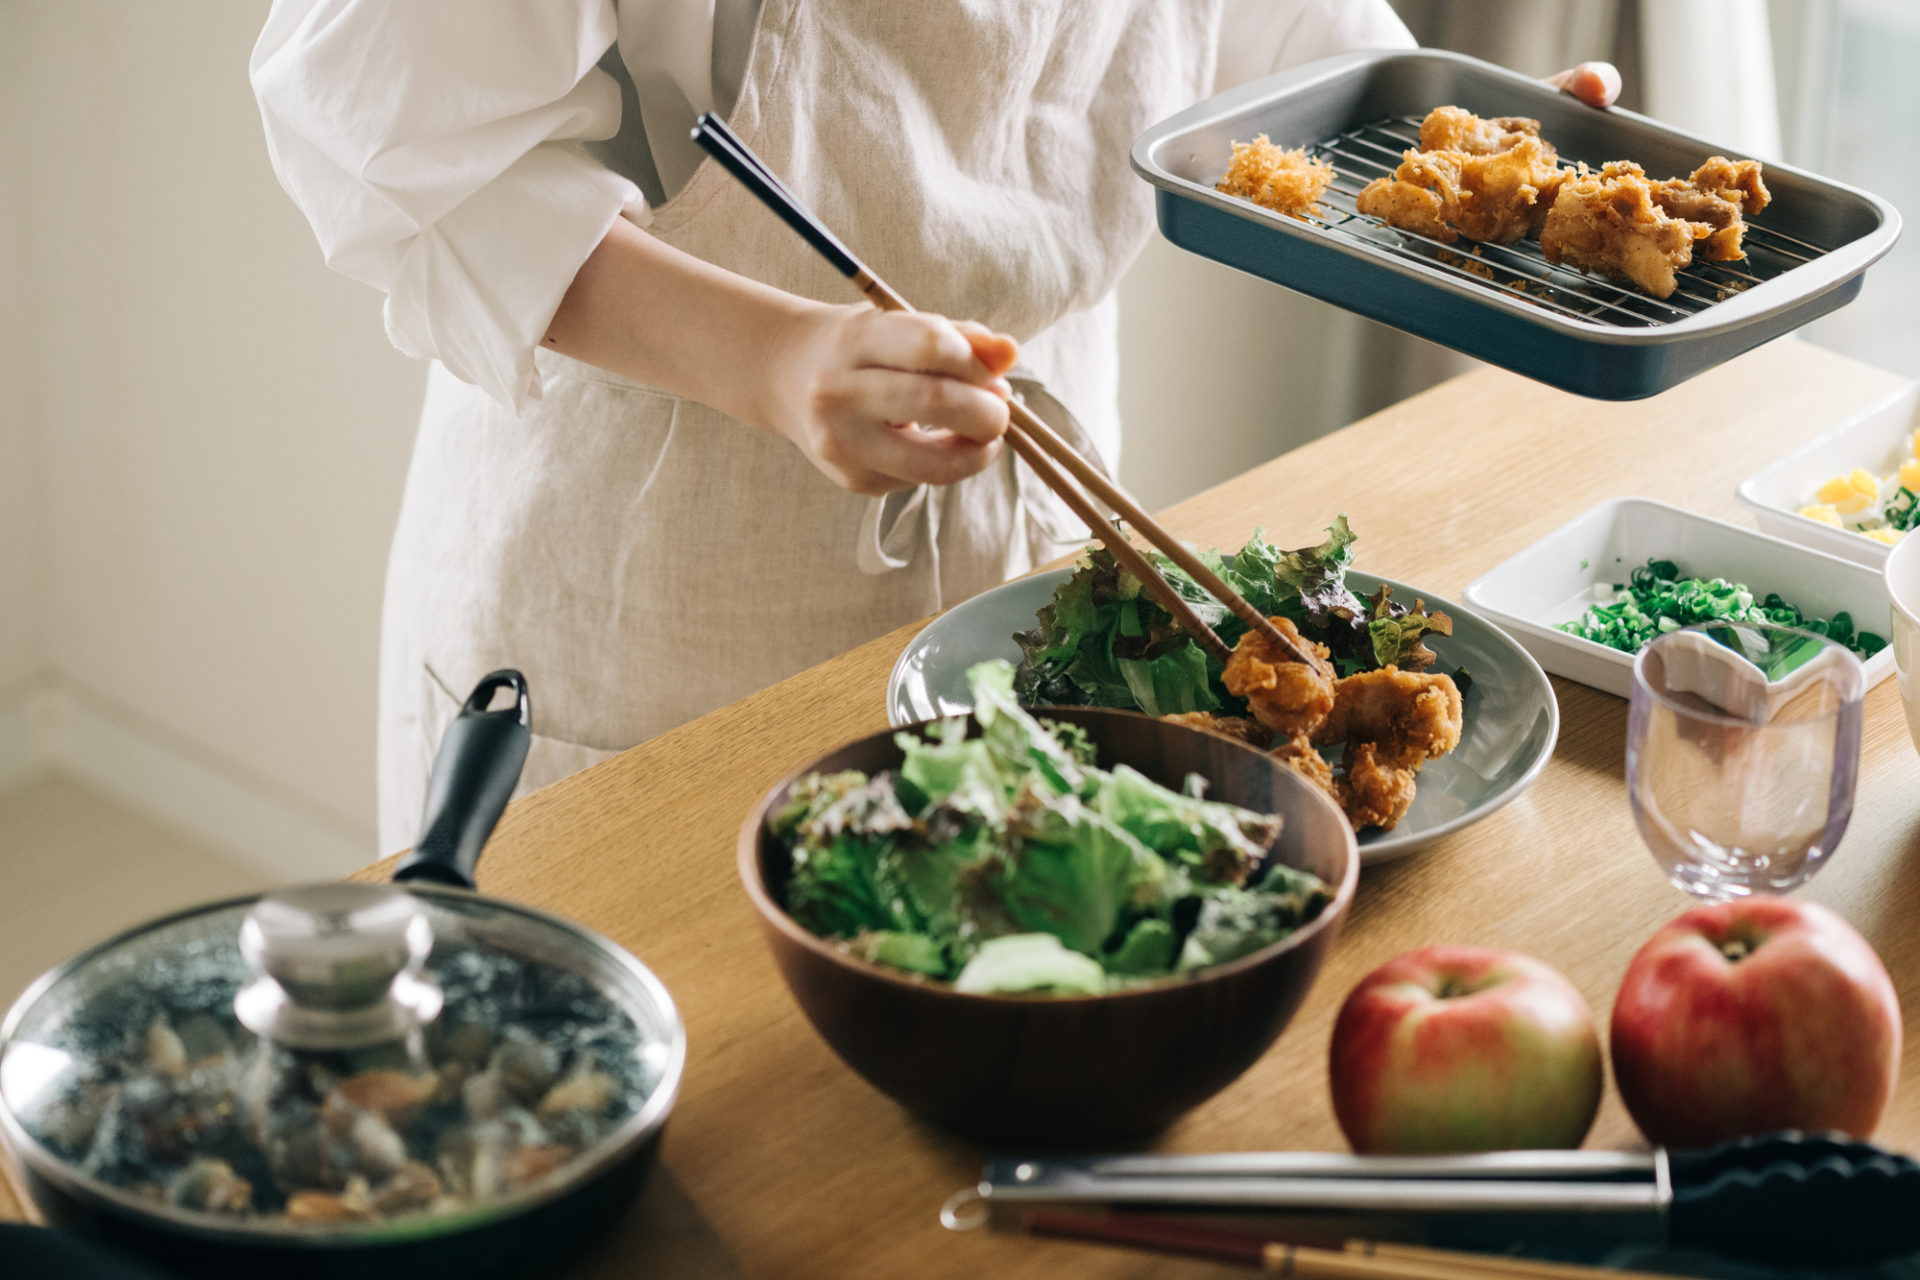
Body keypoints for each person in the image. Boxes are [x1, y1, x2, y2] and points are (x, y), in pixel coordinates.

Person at [251, 2, 1619, 853]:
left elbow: (1270, 37)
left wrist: (1475, 154)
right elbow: (382, 138)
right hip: (649, 570)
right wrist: (776, 357)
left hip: (1032, 538)